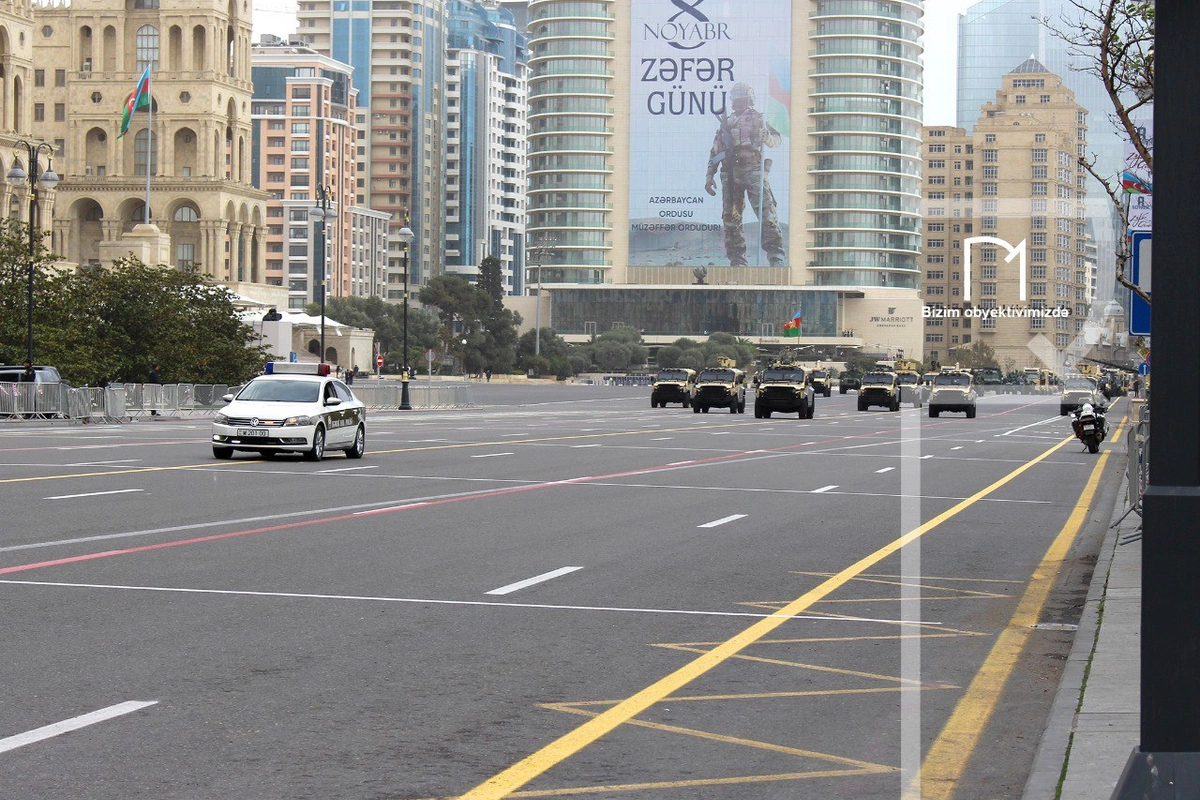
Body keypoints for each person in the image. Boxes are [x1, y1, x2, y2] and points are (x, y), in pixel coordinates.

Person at [705, 82, 786, 268]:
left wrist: (767, 138)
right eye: (737, 96)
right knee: (732, 219)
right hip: (731, 174)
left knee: (766, 213)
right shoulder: (727, 123)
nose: (739, 99)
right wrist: (709, 175)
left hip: (753, 170)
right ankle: (737, 259)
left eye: (742, 95)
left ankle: (775, 255)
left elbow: (777, 140)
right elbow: (715, 151)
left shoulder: (760, 118)